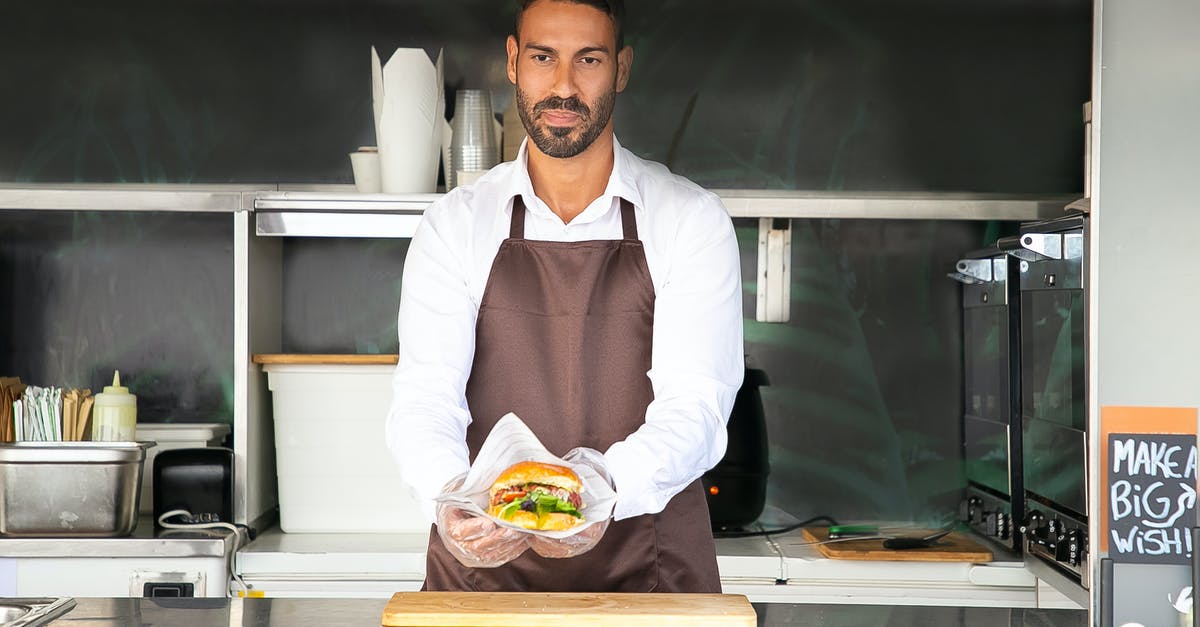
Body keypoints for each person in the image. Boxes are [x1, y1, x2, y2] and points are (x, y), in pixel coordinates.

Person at [386, 0, 743, 592]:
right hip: (485, 571)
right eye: (543, 57)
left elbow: (696, 407)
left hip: (649, 575)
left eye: (589, 60)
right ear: (512, 61)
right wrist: (454, 498)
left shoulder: (689, 221)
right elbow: (425, 398)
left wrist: (593, 490)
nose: (563, 87)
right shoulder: (455, 225)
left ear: (622, 69)